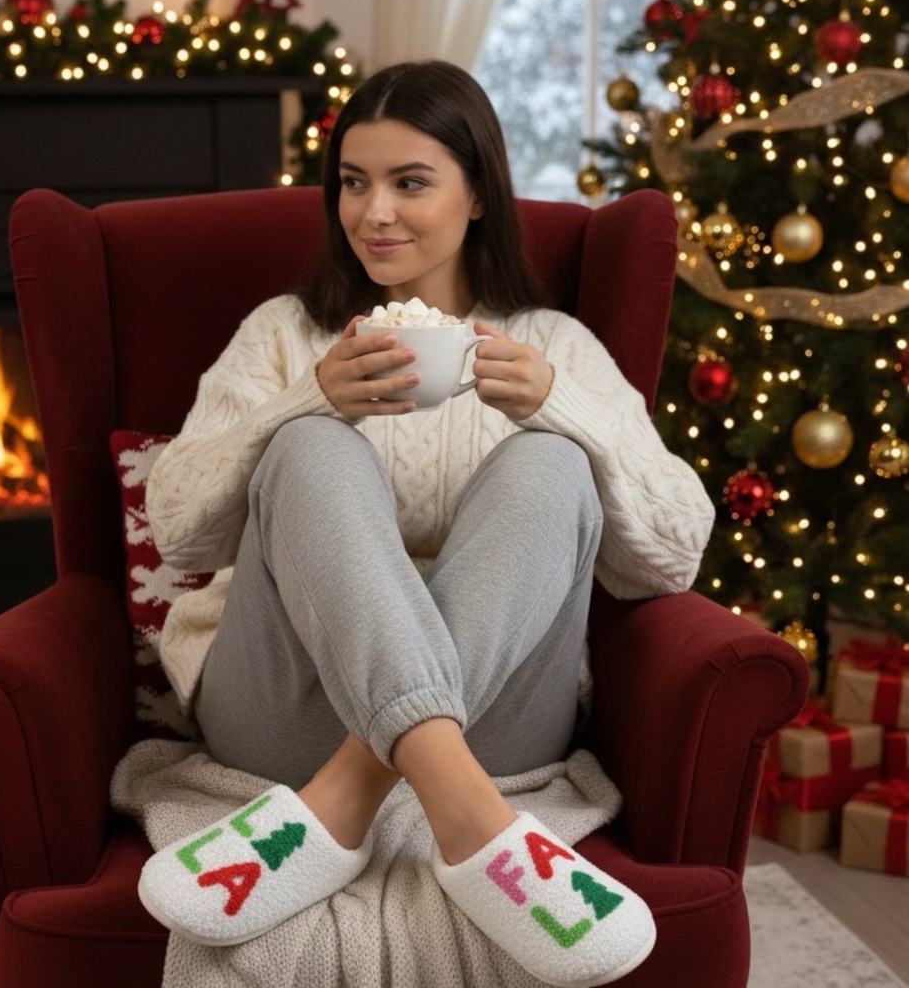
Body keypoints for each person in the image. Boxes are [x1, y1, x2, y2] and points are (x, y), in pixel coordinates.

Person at [137, 60, 714, 987]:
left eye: (410, 182)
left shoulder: (553, 344)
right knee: (310, 450)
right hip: (287, 709)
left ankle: (347, 799)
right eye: (354, 183)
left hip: (497, 721)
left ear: (478, 192)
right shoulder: (286, 331)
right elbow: (180, 536)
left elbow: (674, 558)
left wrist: (563, 410)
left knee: (552, 460)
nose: (374, 214)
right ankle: (473, 825)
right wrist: (302, 403)